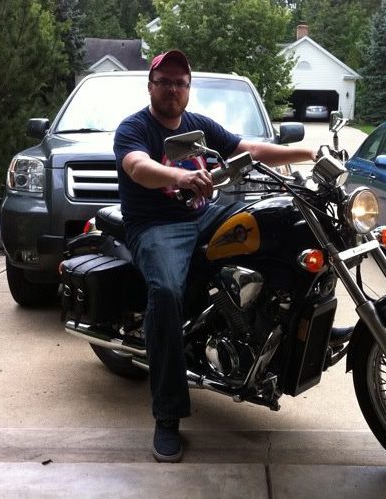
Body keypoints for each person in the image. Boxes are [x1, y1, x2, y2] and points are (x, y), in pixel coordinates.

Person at [113, 50, 316, 463]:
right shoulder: (134, 128)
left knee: (276, 227)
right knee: (165, 294)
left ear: (189, 88)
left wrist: (309, 154)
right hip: (156, 225)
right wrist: (182, 175)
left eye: (180, 83)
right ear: (150, 86)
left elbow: (249, 149)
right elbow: (138, 167)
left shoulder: (199, 127)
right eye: (165, 82)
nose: (173, 89)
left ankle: (283, 324)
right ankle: (168, 413)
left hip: (203, 215)